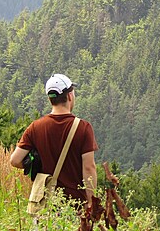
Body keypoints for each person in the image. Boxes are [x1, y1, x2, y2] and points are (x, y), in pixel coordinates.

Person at [10, 73, 98, 209]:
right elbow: (89, 168)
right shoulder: (83, 128)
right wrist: (92, 202)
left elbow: (15, 160)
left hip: (44, 203)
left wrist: (35, 165)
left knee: (44, 230)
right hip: (75, 205)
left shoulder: (35, 127)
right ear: (69, 96)